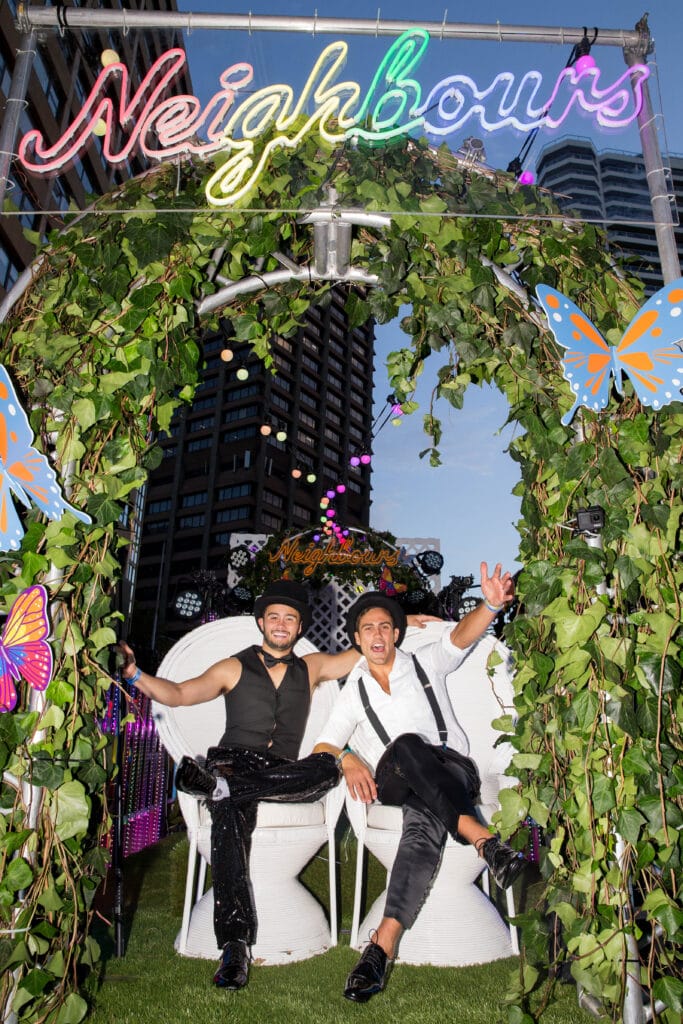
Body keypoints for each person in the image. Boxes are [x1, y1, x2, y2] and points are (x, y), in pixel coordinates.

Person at [117, 578, 434, 992]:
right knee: (229, 822)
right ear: (262, 623)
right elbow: (178, 694)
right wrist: (134, 672)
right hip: (233, 763)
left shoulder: (314, 665)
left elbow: (366, 646)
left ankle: (215, 788)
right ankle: (234, 947)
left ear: (299, 626)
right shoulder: (232, 666)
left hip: (281, 773)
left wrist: (398, 621)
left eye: (289, 618)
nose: (281, 624)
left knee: (326, 766)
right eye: (274, 617)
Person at [312, 561, 524, 1003]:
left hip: (452, 770)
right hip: (393, 780)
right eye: (367, 628)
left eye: (384, 627)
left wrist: (489, 604)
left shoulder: (425, 663)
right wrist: (348, 757)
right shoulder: (353, 690)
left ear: (395, 634)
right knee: (407, 746)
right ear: (357, 638)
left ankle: (380, 947)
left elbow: (462, 636)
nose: (376, 635)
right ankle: (486, 843)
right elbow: (323, 746)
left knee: (424, 819)